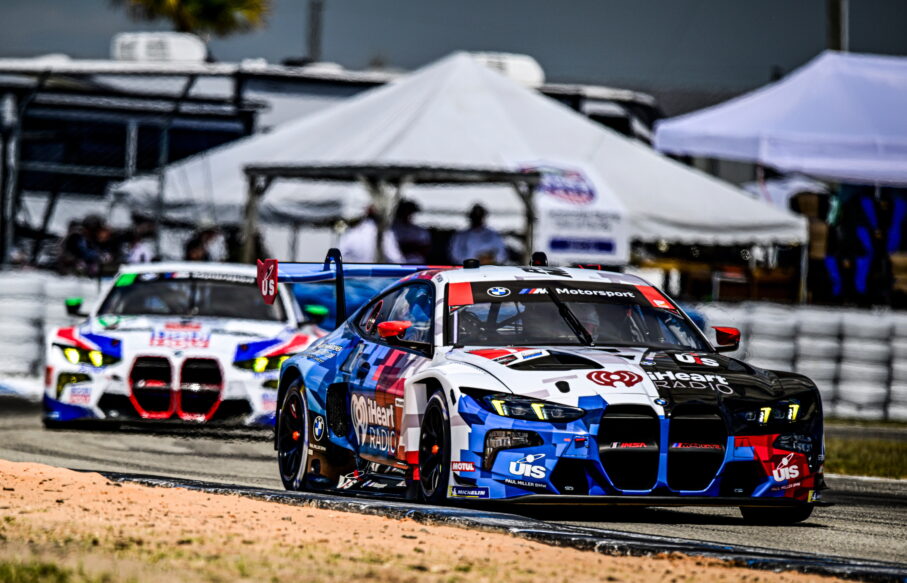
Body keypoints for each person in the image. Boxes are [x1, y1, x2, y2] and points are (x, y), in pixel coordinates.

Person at [339, 207, 404, 263]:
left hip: (355, 272)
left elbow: (340, 256)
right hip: (375, 272)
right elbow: (396, 259)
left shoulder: (351, 234)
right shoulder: (385, 233)